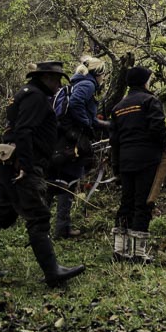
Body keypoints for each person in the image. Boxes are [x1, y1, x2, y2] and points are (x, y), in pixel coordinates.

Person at [0, 61, 86, 287]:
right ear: (45, 78)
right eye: (56, 79)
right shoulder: (34, 97)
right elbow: (23, 130)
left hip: (9, 160)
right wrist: (25, 164)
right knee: (38, 216)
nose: (58, 84)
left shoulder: (23, 94)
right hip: (24, 163)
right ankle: (52, 271)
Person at [110, 66, 166, 263]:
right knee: (143, 203)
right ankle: (138, 253)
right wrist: (161, 151)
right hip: (147, 159)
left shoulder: (119, 107)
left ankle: (120, 250)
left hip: (125, 160)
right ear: (144, 81)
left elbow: (114, 141)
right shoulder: (150, 101)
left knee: (126, 202)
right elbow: (158, 130)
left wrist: (116, 166)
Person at [50, 55, 109, 239]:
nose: (104, 79)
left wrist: (103, 124)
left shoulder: (77, 82)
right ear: (97, 73)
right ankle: (62, 228)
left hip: (63, 137)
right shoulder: (88, 84)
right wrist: (87, 124)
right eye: (103, 75)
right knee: (69, 181)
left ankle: (56, 226)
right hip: (74, 138)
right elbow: (76, 104)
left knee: (62, 180)